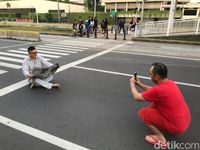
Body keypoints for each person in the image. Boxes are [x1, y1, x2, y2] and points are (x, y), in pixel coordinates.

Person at [130, 62, 191, 147]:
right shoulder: (171, 83)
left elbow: (137, 97)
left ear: (156, 77)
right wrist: (139, 84)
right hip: (185, 121)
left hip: (177, 126)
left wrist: (132, 84)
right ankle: (164, 127)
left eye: (150, 74)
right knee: (154, 104)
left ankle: (161, 139)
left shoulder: (159, 90)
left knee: (143, 113)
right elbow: (153, 91)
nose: (149, 76)